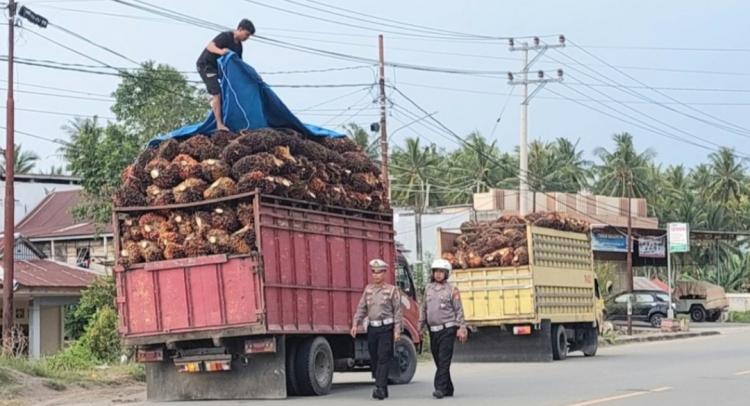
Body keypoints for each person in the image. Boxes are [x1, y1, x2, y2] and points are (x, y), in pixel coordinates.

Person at [351, 259, 403, 400]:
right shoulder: (368, 290)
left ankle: (379, 388)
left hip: (386, 327)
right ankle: (383, 387)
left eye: (379, 272)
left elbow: (397, 312)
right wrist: (355, 324)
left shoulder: (392, 290)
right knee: (374, 357)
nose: (376, 275)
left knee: (383, 357)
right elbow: (361, 308)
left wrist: (397, 330)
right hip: (372, 328)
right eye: (373, 272)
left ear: (384, 273)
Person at [419, 259, 467, 399]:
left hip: (448, 329)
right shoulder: (428, 288)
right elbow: (423, 308)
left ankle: (439, 388)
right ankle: (448, 388)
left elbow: (459, 310)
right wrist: (420, 326)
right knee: (438, 360)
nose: (438, 275)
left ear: (446, 274)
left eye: (441, 272)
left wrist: (461, 327)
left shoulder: (452, 290)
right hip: (433, 330)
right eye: (436, 272)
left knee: (444, 359)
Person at [196, 19, 255, 132]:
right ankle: (219, 124)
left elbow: (238, 64)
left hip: (218, 70)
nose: (247, 38)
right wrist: (221, 52)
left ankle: (228, 119)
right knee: (217, 93)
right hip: (206, 66)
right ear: (240, 29)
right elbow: (210, 46)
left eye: (249, 36)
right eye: (246, 35)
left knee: (229, 92)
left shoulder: (239, 47)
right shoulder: (226, 36)